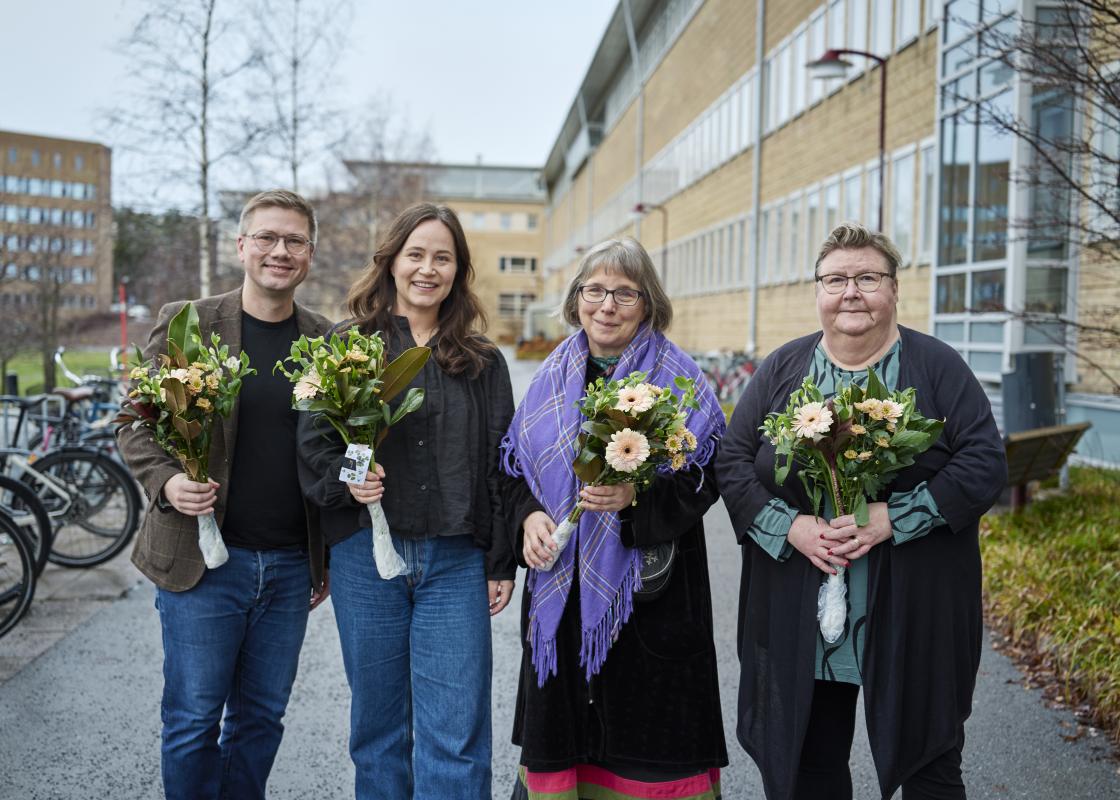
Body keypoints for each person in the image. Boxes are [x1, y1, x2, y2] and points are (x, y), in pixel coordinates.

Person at [716, 223, 1008, 800]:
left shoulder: (938, 368)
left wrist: (895, 519)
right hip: (799, 604)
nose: (851, 291)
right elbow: (731, 460)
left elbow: (984, 463)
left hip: (912, 605)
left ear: (894, 289)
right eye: (835, 279)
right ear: (818, 292)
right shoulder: (782, 370)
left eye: (868, 277)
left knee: (931, 768)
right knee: (809, 763)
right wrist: (790, 527)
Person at [117, 189, 333, 800]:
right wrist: (168, 481)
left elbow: (332, 449)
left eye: (294, 240)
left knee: (261, 721)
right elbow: (133, 422)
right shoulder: (189, 323)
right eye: (266, 237)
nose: (279, 251)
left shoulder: (324, 339)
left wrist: (329, 555)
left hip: (291, 566)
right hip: (203, 563)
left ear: (309, 254)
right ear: (241, 246)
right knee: (192, 722)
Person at [296, 202, 515, 800]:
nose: (427, 268)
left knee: (457, 734)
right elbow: (315, 447)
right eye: (415, 254)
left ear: (458, 270)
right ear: (391, 262)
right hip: (367, 562)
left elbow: (504, 462)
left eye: (442, 257)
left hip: (454, 563)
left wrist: (499, 561)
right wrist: (351, 475)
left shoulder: (483, 361)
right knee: (379, 729)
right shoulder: (347, 347)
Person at [501, 238, 728, 800]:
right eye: (594, 290)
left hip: (649, 593)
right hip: (562, 588)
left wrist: (637, 497)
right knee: (566, 740)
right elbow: (513, 471)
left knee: (647, 748)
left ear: (647, 303)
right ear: (577, 298)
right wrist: (528, 517)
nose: (606, 305)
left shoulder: (679, 379)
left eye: (624, 293)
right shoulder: (550, 379)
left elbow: (710, 474)